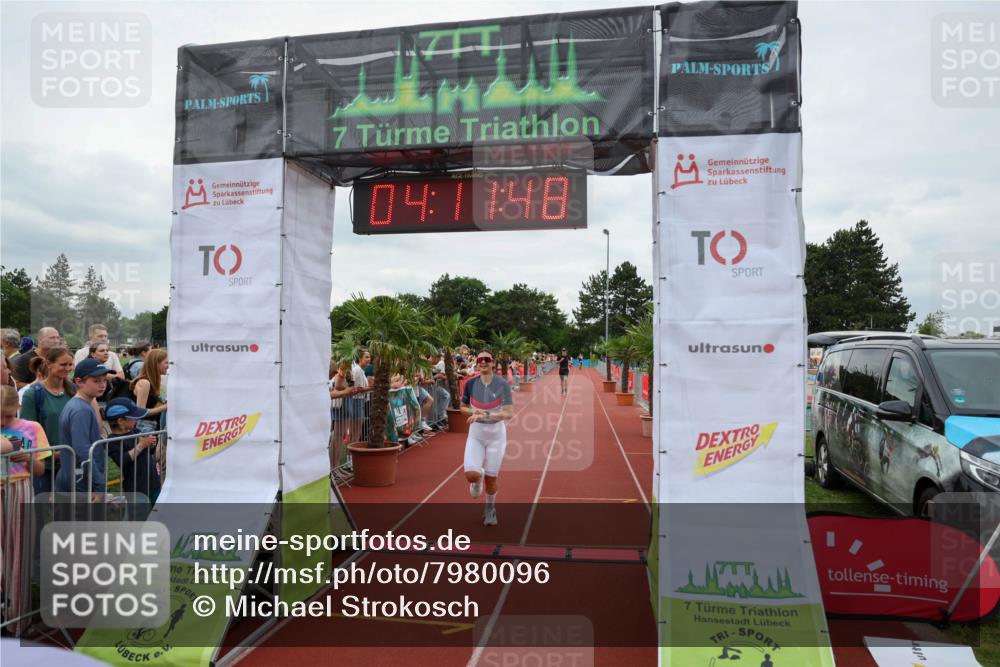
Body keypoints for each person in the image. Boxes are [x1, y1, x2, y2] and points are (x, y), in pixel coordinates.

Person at [1, 386, 50, 636]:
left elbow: (41, 469)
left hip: (18, 488)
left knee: (18, 553)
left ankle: (17, 619)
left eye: (8, 416)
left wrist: (27, 458)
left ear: (17, 409)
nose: (3, 421)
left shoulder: (31, 427)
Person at [460, 351, 513, 526]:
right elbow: (463, 408)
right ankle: (477, 478)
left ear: (493, 363)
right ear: (476, 363)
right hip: (476, 434)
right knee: (471, 475)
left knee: (492, 480)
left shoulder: (502, 384)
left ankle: (490, 510)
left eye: (486, 360)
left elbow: (508, 413)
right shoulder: (470, 383)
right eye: (480, 360)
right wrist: (474, 411)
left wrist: (486, 413)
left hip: (496, 436)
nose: (483, 362)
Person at [18, 347, 76, 495]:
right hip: (45, 466)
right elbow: (27, 433)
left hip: (71, 462)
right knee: (43, 511)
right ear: (49, 364)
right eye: (63, 365)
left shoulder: (73, 391)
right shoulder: (33, 394)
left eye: (70, 364)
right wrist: (50, 454)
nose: (68, 369)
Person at [57, 359, 115, 498]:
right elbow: (83, 449)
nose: (102, 385)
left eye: (104, 380)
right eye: (96, 381)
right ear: (79, 382)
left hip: (75, 475)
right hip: (80, 479)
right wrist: (99, 483)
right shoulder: (81, 410)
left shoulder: (79, 405)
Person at [104, 397, 161, 503]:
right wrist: (141, 445)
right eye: (133, 417)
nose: (136, 420)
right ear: (121, 421)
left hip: (153, 483)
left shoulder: (135, 431)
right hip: (136, 488)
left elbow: (147, 451)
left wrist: (151, 444)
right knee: (139, 517)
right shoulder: (113, 441)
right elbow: (123, 460)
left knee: (158, 513)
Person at [130, 349, 168, 430]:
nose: (168, 366)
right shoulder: (144, 383)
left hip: (151, 425)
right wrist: (165, 407)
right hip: (144, 426)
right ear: (156, 363)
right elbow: (140, 412)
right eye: (166, 362)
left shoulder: (154, 381)